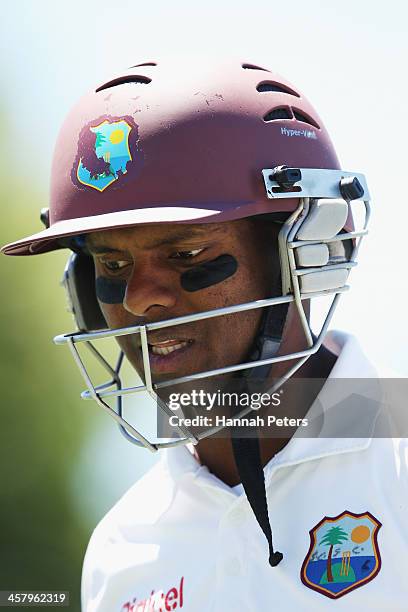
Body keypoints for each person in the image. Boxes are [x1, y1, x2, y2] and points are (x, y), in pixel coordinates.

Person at [2, 58, 407, 611]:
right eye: (112, 267)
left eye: (187, 253)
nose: (142, 298)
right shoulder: (121, 551)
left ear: (307, 254)